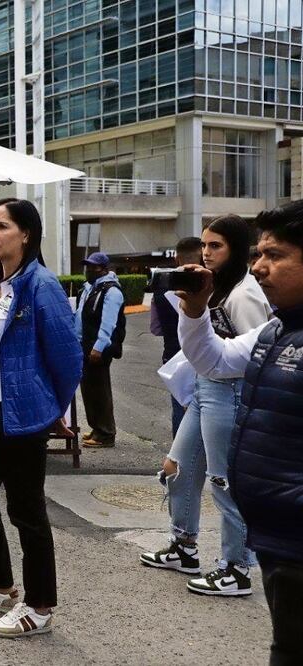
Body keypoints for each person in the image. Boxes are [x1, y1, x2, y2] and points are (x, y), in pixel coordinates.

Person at [172, 199, 303, 664]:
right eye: (258, 256)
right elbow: (216, 360)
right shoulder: (276, 328)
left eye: (276, 255)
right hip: (277, 538)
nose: (261, 268)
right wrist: (194, 311)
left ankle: (232, 565)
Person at [0, 198, 83, 639]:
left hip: (24, 416)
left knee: (26, 511)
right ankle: (2, 584)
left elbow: (68, 358)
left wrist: (55, 410)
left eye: (2, 226)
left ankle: (40, 606)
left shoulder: (40, 285)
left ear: (26, 234)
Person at [140, 215, 271, 598]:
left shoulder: (244, 294)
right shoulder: (212, 287)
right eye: (204, 244)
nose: (207, 253)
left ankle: (237, 567)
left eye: (217, 246)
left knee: (223, 481)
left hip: (230, 393)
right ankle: (184, 546)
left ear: (236, 250)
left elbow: (256, 353)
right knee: (176, 468)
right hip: (204, 388)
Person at [150, 237, 203, 438]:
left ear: (177, 259)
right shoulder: (210, 285)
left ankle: (178, 462)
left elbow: (155, 328)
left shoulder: (162, 287)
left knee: (180, 411)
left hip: (174, 357)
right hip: (204, 358)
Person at [73, 252, 126, 448]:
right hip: (85, 345)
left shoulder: (112, 291)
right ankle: (97, 428)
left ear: (104, 269)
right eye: (87, 266)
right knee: (89, 390)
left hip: (98, 348)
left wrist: (98, 347)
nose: (89, 270)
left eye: (93, 267)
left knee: (100, 390)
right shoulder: (90, 288)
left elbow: (109, 323)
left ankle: (106, 433)